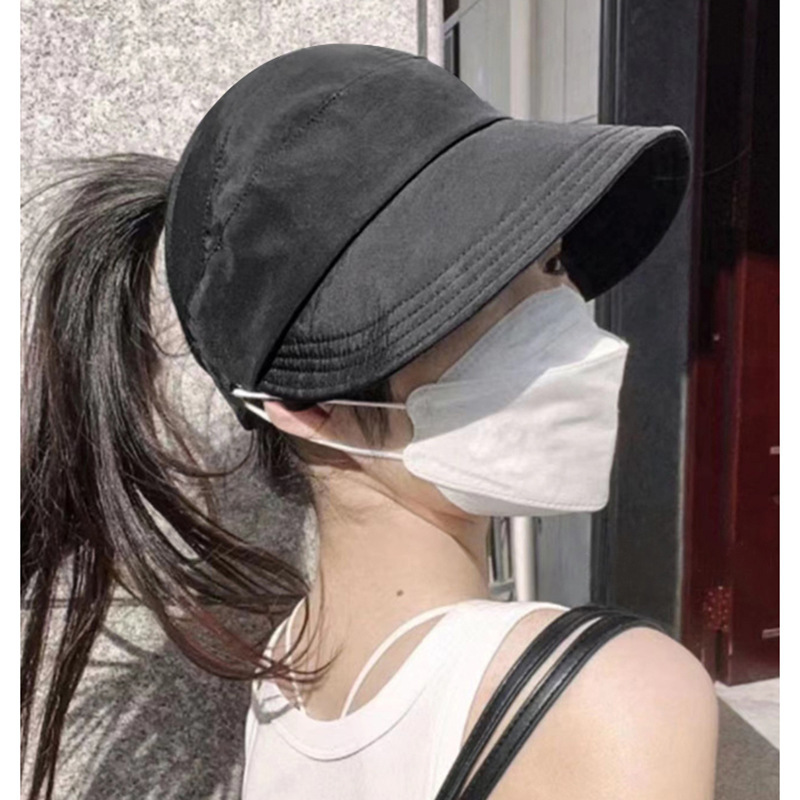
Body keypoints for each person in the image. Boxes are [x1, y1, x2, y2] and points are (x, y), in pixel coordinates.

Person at [21, 43, 718, 800]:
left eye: (552, 263)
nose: (567, 322)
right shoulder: (614, 697)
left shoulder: (289, 669)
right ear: (307, 406)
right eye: (474, 282)